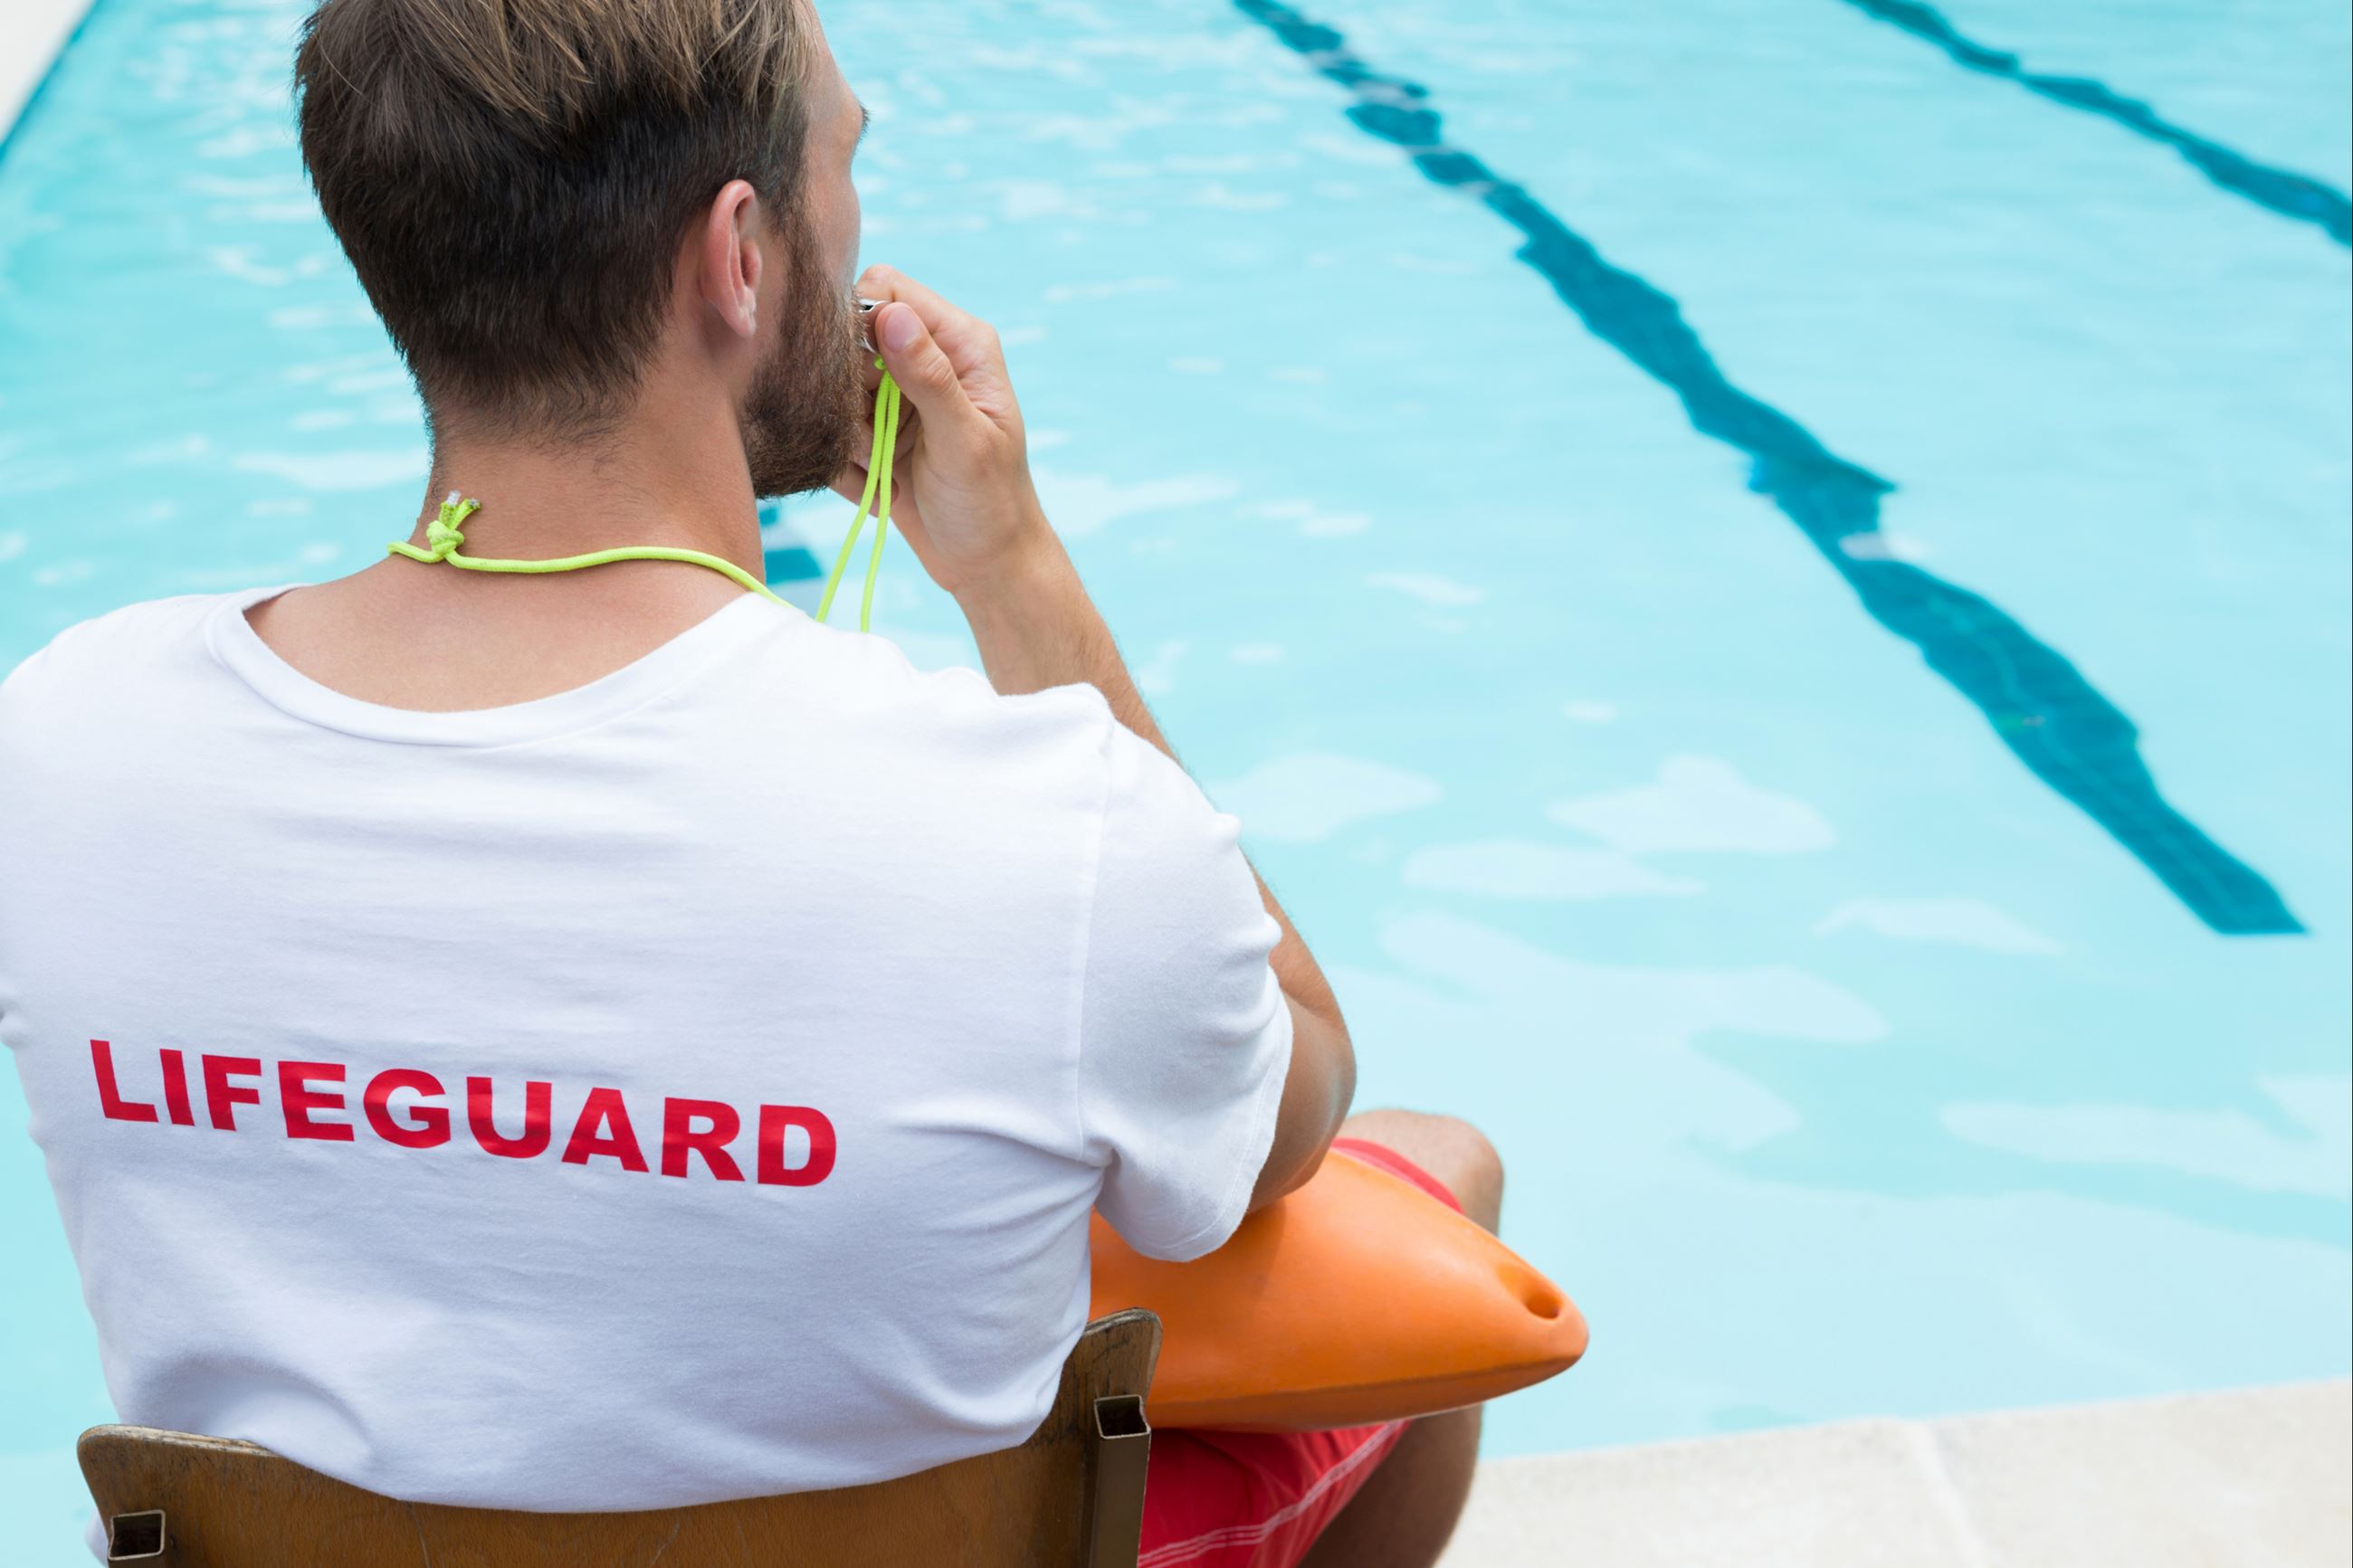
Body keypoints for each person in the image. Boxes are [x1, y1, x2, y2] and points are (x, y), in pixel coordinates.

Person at [0, 3, 1507, 1564]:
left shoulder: (67, 747)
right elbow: (1283, 1117)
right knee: (1444, 1180)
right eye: (843, 165)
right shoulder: (1043, 829)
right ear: (738, 255)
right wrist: (1016, 574)